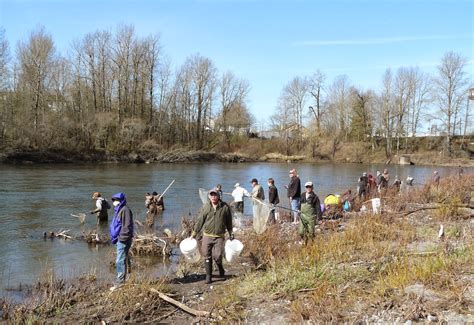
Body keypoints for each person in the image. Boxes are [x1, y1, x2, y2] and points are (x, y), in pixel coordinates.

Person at [192, 188, 233, 284]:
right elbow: (200, 221)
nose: (213, 197)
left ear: (218, 196)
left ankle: (221, 269)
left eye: (215, 195)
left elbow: (229, 222)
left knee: (217, 256)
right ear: (209, 197)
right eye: (212, 195)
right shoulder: (206, 207)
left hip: (219, 236)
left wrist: (231, 233)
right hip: (207, 235)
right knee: (206, 255)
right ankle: (208, 276)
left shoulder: (225, 207)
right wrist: (194, 233)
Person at [109, 192, 134, 291]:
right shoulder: (119, 209)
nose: (115, 202)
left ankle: (120, 283)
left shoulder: (125, 210)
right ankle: (126, 278)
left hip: (123, 239)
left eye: (117, 200)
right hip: (121, 238)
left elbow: (127, 226)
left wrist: (122, 238)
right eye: (114, 200)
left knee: (119, 260)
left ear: (121, 200)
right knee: (124, 258)